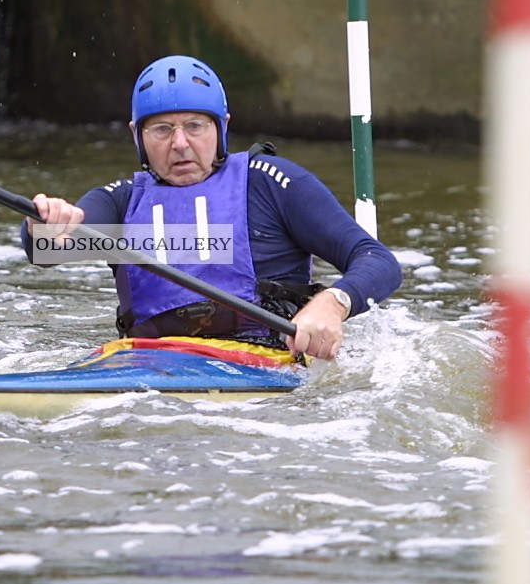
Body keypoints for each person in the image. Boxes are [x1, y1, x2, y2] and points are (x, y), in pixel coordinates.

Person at [20, 55, 402, 361]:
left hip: (265, 364)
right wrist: (47, 223)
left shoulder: (271, 183)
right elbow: (49, 251)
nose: (181, 143)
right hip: (145, 364)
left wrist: (333, 303)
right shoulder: (121, 201)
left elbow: (377, 260)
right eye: (162, 130)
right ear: (137, 136)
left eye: (195, 126)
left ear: (222, 128)